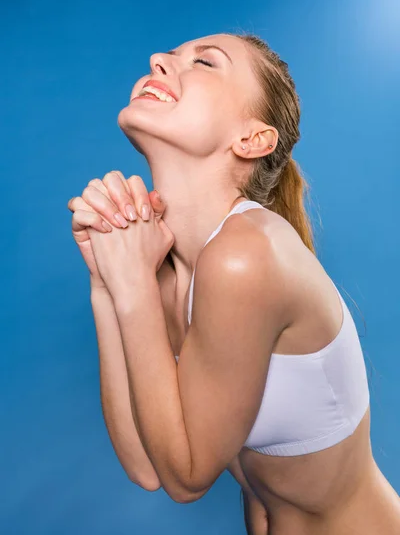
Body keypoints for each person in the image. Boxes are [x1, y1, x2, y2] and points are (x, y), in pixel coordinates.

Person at [67, 33, 400, 534]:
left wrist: (132, 280)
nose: (157, 59)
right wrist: (106, 282)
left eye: (204, 62)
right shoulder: (173, 264)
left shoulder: (246, 255)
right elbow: (146, 465)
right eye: (169, 55)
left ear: (252, 139)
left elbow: (187, 479)